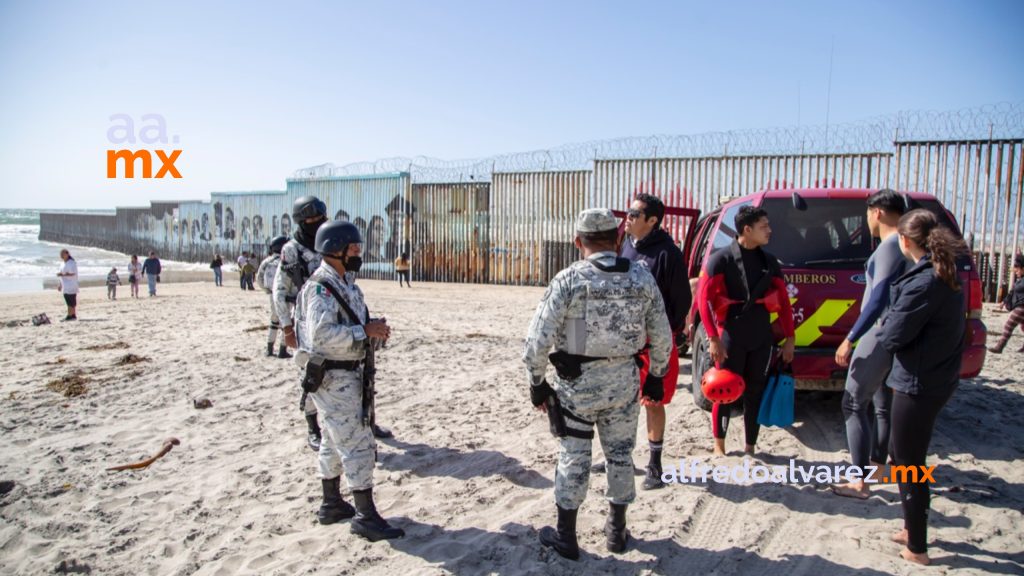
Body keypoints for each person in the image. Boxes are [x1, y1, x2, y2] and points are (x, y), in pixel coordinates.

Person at [523, 208, 672, 559]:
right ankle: (616, 532)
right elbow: (662, 335)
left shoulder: (569, 279)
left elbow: (537, 342)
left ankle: (566, 537)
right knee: (620, 456)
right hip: (624, 383)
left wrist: (537, 382)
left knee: (573, 456)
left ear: (578, 242)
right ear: (618, 239)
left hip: (577, 385)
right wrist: (656, 376)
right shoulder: (641, 277)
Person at [295, 219, 405, 541]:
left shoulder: (347, 283)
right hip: (333, 376)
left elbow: (355, 323)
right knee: (359, 442)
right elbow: (321, 336)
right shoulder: (320, 288)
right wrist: (363, 332)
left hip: (350, 372)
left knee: (332, 439)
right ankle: (365, 515)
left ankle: (331, 503)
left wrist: (374, 329)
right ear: (335, 250)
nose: (359, 253)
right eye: (353, 248)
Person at [877, 209, 968, 566]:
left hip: (918, 382)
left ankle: (917, 548)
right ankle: (909, 526)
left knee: (910, 464)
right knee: (901, 456)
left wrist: (885, 326)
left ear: (904, 240)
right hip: (934, 377)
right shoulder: (941, 273)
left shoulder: (924, 282)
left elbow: (894, 335)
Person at [697, 206, 795, 456]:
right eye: (764, 226)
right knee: (724, 389)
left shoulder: (769, 262)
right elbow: (702, 301)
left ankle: (750, 446)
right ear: (747, 230)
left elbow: (783, 303)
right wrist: (713, 337)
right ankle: (719, 446)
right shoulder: (721, 259)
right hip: (731, 335)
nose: (770, 231)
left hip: (761, 336)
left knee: (755, 390)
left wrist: (790, 339)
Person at [613, 193, 692, 490]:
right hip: (625, 342)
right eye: (628, 213)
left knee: (653, 401)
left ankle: (655, 466)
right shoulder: (627, 247)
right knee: (624, 402)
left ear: (652, 221)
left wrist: (665, 336)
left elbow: (682, 299)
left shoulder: (667, 253)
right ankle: (622, 457)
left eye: (634, 214)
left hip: (653, 342)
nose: (628, 218)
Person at [832, 189, 907, 499]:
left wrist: (850, 338)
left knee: (852, 403)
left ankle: (859, 481)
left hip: (878, 332)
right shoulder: (909, 245)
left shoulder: (890, 247)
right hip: (898, 334)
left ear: (876, 212)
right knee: (881, 405)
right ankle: (878, 465)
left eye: (866, 215)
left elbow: (877, 299)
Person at [275, 196, 331, 452]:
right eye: (312, 220)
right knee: (310, 374)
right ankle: (313, 427)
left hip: (336, 315)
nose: (318, 222)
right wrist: (286, 327)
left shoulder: (329, 241)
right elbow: (279, 290)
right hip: (306, 321)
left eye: (320, 218)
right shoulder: (292, 250)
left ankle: (364, 421)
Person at [257, 236, 290, 358]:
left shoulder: (267, 261)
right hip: (286, 296)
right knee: (286, 322)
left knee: (274, 321)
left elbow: (259, 279)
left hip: (272, 294)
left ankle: (269, 349)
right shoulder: (286, 260)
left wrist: (267, 290)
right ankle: (282, 350)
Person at [988, 254, 1024, 354]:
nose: (1016, 272)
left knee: (1009, 325)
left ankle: (1000, 347)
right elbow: (1011, 292)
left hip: (1022, 307)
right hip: (1019, 306)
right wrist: (1004, 302)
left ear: (1022, 268)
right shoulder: (1019, 280)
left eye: (1017, 270)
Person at [57, 249, 79, 321]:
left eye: (63, 254)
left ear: (67, 254)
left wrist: (62, 274)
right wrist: (60, 284)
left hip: (71, 284)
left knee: (71, 301)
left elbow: (72, 273)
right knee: (68, 300)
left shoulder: (72, 263)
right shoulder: (62, 263)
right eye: (61, 254)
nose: (61, 256)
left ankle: (70, 315)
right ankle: (73, 315)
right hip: (65, 285)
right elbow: (61, 274)